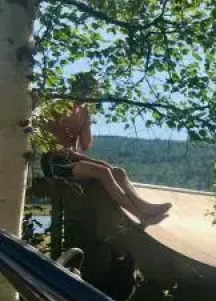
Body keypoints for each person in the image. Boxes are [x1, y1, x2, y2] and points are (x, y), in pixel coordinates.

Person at [40, 74, 171, 225]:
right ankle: (141, 216)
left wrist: (87, 122)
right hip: (55, 162)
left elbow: (85, 145)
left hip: (72, 159)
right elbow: (53, 145)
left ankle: (145, 206)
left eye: (92, 92)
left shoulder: (83, 112)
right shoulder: (59, 108)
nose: (89, 95)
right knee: (103, 171)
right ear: (76, 88)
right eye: (86, 90)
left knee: (118, 172)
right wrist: (86, 158)